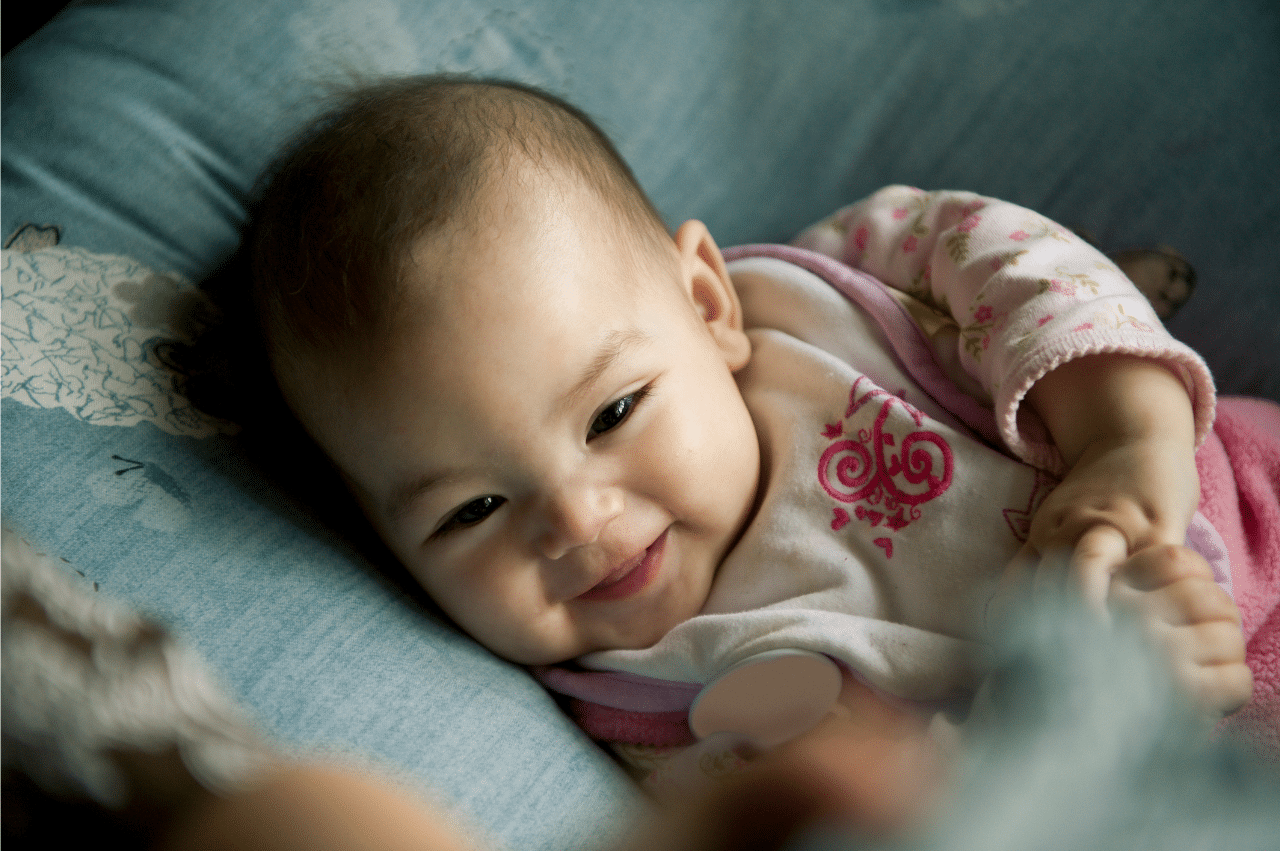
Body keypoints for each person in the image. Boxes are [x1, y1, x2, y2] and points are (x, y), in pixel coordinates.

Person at [180, 74, 1262, 797]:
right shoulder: (668, 704)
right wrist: (1090, 707)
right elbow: (905, 809)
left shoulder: (829, 290)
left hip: (1244, 494)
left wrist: (1123, 441)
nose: (576, 519)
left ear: (705, 304)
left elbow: (1020, 269)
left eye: (612, 413)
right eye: (472, 510)